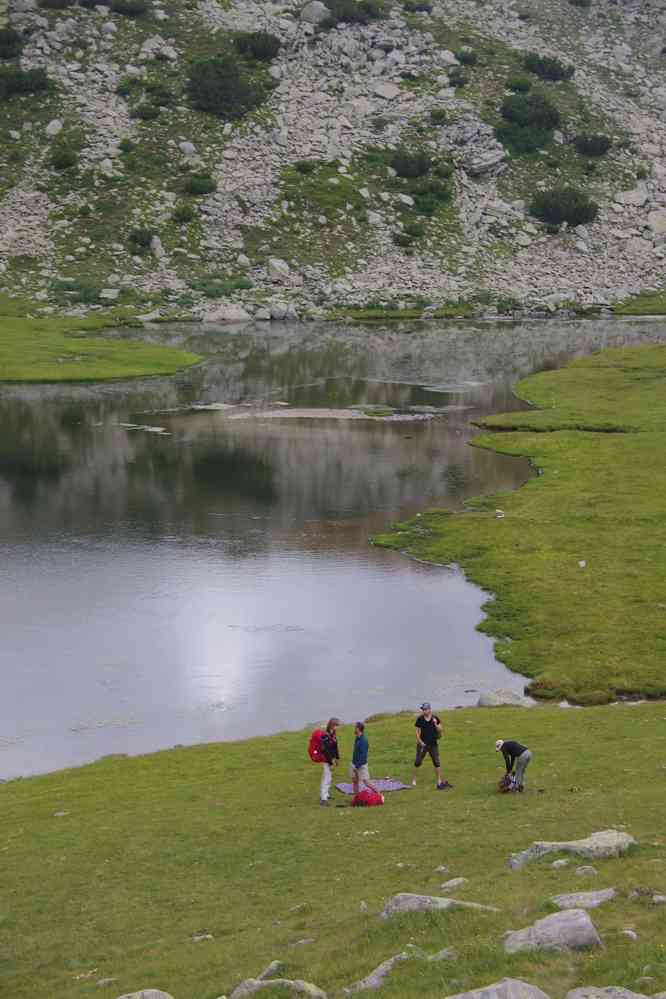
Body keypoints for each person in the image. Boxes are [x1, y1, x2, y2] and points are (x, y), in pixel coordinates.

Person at [412, 702, 453, 790]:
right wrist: (420, 742)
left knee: (436, 762)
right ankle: (414, 779)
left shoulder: (435, 718)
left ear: (429, 710)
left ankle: (439, 781)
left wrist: (435, 724)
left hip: (433, 744)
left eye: (425, 709)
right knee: (418, 762)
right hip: (422, 744)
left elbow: (440, 729)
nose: (423, 711)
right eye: (423, 709)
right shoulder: (420, 719)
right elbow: (417, 732)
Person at [350, 721, 378, 796]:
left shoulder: (363, 741)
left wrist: (357, 766)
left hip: (361, 765)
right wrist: (354, 765)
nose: (354, 729)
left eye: (355, 727)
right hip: (354, 764)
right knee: (355, 781)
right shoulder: (357, 738)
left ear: (358, 729)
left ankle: (379, 794)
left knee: (366, 782)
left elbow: (363, 756)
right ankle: (357, 798)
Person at [320, 717, 340, 805]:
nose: (337, 727)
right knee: (326, 778)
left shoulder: (333, 734)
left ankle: (326, 794)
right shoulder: (325, 735)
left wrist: (337, 758)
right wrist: (331, 763)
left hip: (331, 759)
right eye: (336, 725)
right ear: (332, 725)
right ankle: (323, 799)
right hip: (326, 760)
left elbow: (335, 747)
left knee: (329, 777)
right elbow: (325, 751)